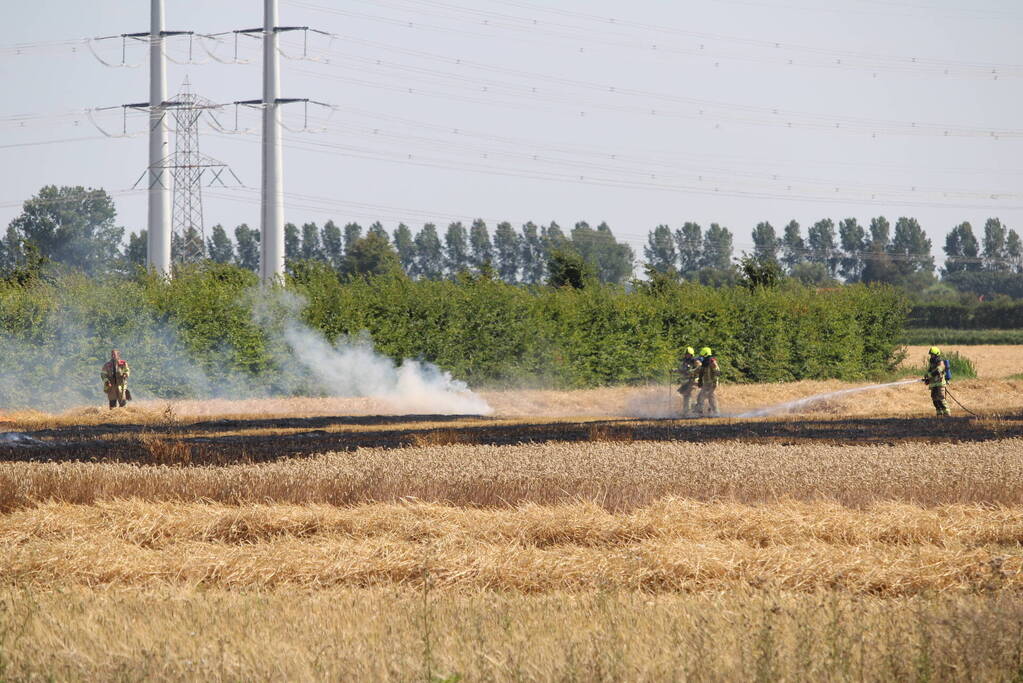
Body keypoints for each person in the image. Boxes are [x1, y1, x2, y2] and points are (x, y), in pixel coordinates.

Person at [673, 346, 702, 416]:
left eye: (687, 353)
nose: (686, 355)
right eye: (686, 353)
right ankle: (696, 408)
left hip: (694, 380)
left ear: (691, 354)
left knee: (687, 393)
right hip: (688, 381)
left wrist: (693, 371)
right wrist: (675, 370)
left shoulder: (695, 361)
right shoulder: (685, 361)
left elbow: (700, 368)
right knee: (684, 394)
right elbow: (683, 370)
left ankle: (687, 412)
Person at [923, 346, 951, 417]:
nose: (931, 356)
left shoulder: (940, 362)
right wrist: (927, 379)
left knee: (941, 399)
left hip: (940, 384)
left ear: (936, 355)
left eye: (932, 355)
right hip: (933, 385)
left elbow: (938, 370)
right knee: (935, 401)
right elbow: (930, 373)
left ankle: (947, 414)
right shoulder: (932, 363)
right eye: (930, 355)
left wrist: (930, 375)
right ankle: (939, 414)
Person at [695, 346, 720, 416]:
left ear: (706, 354)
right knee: (701, 397)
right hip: (706, 384)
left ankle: (716, 413)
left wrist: (715, 382)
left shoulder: (712, 361)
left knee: (710, 398)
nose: (702, 357)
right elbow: (698, 370)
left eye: (703, 355)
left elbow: (717, 371)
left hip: (712, 384)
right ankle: (701, 412)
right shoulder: (704, 363)